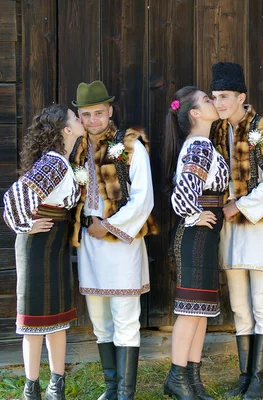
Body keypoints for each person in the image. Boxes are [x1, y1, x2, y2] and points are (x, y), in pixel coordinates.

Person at [71, 80, 158, 399]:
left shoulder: (130, 144)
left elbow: (143, 198)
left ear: (110, 111)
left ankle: (126, 392)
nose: (92, 120)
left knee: (125, 316)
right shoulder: (76, 149)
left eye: (98, 112)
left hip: (122, 241)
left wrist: (108, 226)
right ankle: (111, 386)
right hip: (90, 246)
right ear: (78, 117)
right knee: (99, 318)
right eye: (86, 114)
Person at [209, 62, 263, 400]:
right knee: (239, 305)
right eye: (214, 97)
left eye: (225, 96)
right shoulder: (215, 131)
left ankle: (260, 378)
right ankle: (244, 375)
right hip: (231, 230)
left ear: (242, 96)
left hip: (260, 225)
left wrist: (239, 206)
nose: (219, 103)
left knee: (260, 302)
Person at [3, 104, 86, 399]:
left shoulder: (62, 161)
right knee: (35, 320)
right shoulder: (54, 162)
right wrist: (24, 224)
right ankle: (31, 388)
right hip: (37, 246)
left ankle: (56, 386)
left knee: (56, 318)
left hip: (53, 244)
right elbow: (15, 195)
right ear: (66, 130)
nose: (81, 120)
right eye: (75, 118)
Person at [161, 86, 230, 400]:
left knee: (200, 310)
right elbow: (182, 195)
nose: (213, 102)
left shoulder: (204, 145)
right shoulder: (199, 146)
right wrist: (194, 214)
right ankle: (176, 378)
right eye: (207, 100)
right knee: (190, 311)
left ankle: (192, 377)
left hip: (203, 236)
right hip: (194, 237)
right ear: (195, 113)